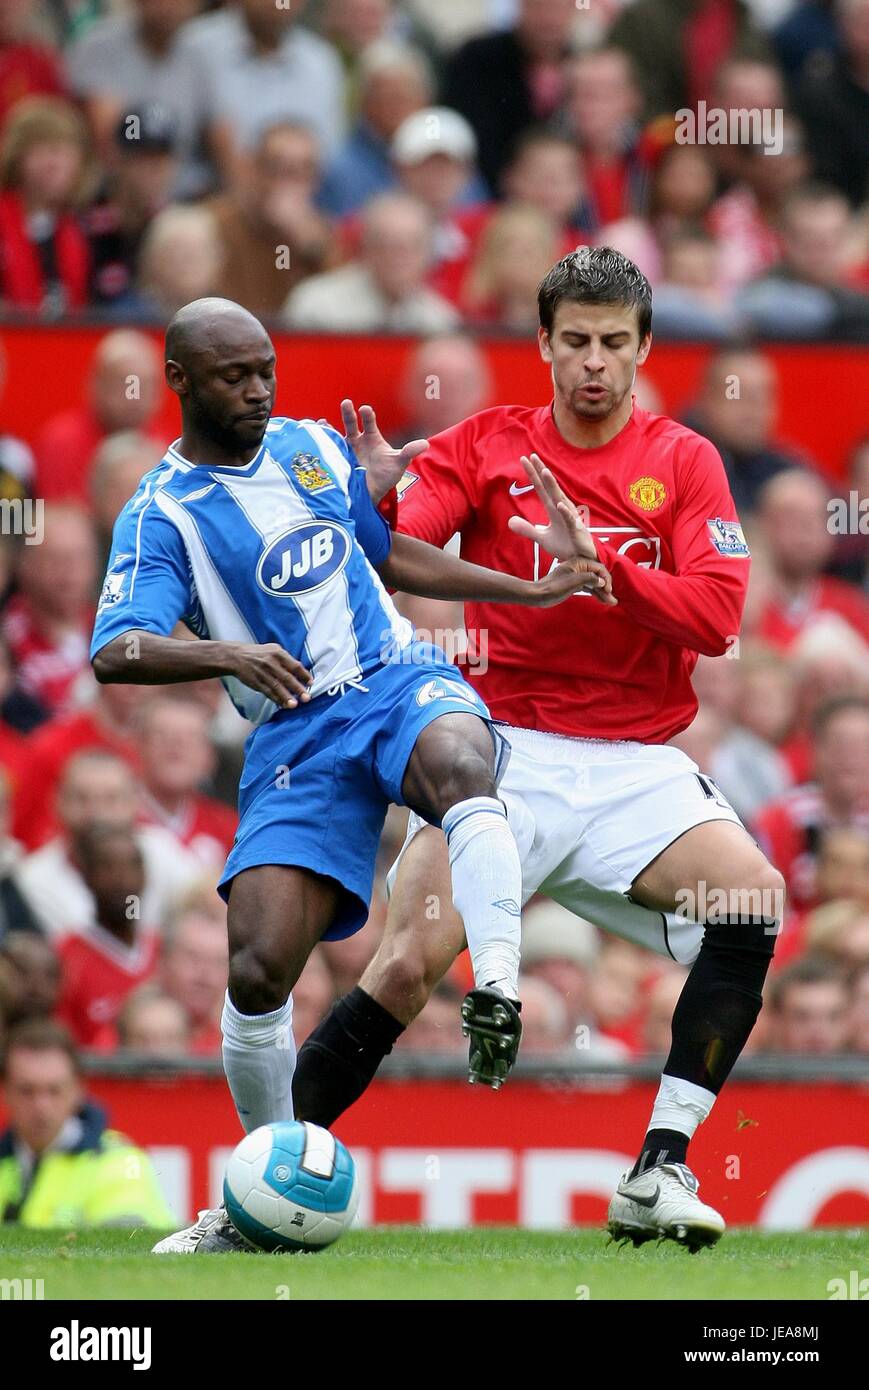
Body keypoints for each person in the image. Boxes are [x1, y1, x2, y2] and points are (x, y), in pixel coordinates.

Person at [87, 294, 610, 1254]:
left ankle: (496, 985)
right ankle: (259, 1196)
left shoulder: (313, 447)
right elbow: (117, 650)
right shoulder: (161, 514)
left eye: (264, 371)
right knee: (255, 967)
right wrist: (230, 658)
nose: (255, 391)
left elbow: (388, 560)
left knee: (462, 765)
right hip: (293, 735)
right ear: (179, 382)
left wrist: (527, 589)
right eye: (232, 376)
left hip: (391, 676)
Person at [292, 247, 785, 1251]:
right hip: (501, 751)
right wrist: (371, 502)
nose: (592, 362)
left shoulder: (682, 460)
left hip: (634, 763)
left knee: (750, 898)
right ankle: (262, 1169)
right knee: (400, 966)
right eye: (574, 342)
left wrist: (604, 571)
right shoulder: (484, 445)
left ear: (642, 348)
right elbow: (399, 547)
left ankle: (659, 1166)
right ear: (542, 344)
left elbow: (719, 613)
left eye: (612, 343)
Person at [0, 1018, 173, 1226]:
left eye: (54, 1091)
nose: (41, 1106)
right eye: (27, 1091)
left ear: (77, 1090)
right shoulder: (8, 1161)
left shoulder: (117, 1162)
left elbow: (122, 1249)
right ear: (5, 1091)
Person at [283, 193, 459, 333]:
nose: (397, 258)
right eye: (385, 244)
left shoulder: (439, 321)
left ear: (428, 255)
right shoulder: (317, 306)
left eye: (410, 247)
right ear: (366, 249)